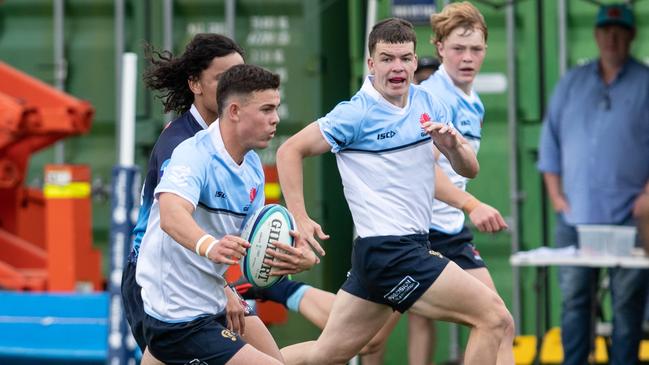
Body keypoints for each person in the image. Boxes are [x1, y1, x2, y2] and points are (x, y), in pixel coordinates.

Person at [276, 17, 514, 365]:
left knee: (327, 354)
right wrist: (300, 216)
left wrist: (453, 147)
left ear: (416, 62)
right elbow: (289, 150)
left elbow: (469, 170)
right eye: (387, 58)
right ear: (371, 64)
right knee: (494, 317)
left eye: (405, 58)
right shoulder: (355, 114)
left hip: (395, 251)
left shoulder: (428, 103)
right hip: (391, 251)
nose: (397, 67)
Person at [121, 34, 313, 364]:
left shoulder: (247, 158)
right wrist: (216, 266)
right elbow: (173, 219)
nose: (275, 118)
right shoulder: (184, 148)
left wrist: (293, 255)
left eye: (238, 74)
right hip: (158, 286)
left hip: (202, 284)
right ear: (196, 83)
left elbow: (249, 233)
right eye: (224, 78)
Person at [362, 4, 513, 364]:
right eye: (458, 49)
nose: (467, 58)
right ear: (440, 47)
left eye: (475, 49)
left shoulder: (471, 102)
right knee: (366, 341)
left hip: (448, 232)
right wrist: (470, 204)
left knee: (500, 323)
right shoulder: (435, 98)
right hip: (417, 233)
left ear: (486, 51)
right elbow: (421, 171)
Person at [537, 4, 649, 365]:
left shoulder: (646, 82)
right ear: (597, 35)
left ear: (631, 35)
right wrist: (556, 196)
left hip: (630, 220)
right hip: (575, 219)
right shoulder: (572, 81)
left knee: (628, 307)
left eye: (620, 31)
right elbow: (549, 142)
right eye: (606, 30)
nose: (612, 38)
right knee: (574, 304)